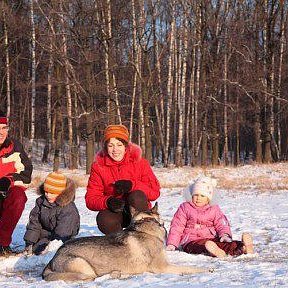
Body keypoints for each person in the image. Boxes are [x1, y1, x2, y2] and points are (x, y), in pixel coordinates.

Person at [85, 124, 160, 235]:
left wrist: (132, 185)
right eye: (110, 145)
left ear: (126, 146)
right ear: (106, 147)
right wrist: (108, 201)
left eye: (119, 145)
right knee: (104, 219)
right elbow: (91, 199)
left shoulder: (140, 162)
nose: (115, 150)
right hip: (117, 212)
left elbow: (154, 193)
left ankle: (144, 236)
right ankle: (120, 244)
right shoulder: (98, 167)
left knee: (136, 196)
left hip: (138, 209)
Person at [166, 176, 254, 258]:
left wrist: (224, 235)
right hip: (191, 240)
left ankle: (242, 247)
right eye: (196, 195)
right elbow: (177, 226)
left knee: (223, 244)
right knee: (199, 247)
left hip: (211, 238)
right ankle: (213, 251)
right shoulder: (185, 207)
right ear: (191, 195)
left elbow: (222, 224)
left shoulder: (214, 209)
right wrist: (172, 244)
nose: (198, 198)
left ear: (209, 198)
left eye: (202, 196)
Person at [0, 110, 33, 256]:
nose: (1, 133)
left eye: (4, 128)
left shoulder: (15, 147)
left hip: (6, 196)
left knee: (19, 196)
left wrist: (8, 180)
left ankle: (2, 244)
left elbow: (25, 174)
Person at [24, 171, 80, 255]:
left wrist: (52, 246)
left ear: (61, 193)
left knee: (44, 251)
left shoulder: (68, 208)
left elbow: (64, 231)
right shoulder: (41, 201)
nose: (48, 195)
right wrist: (30, 242)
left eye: (52, 193)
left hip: (64, 235)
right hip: (46, 232)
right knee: (35, 249)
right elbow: (35, 222)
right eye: (46, 192)